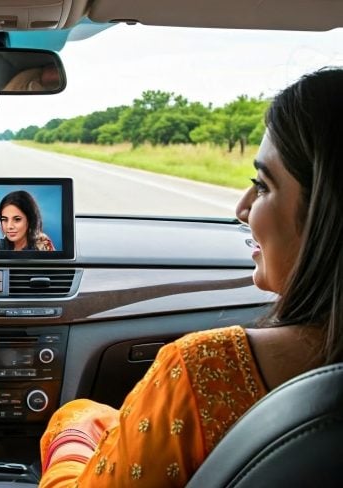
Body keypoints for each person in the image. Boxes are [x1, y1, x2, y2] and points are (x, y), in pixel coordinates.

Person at [38, 67, 343, 487]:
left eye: (263, 185)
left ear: (328, 217)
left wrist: (67, 439)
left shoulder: (203, 369)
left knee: (78, 416)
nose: (242, 208)